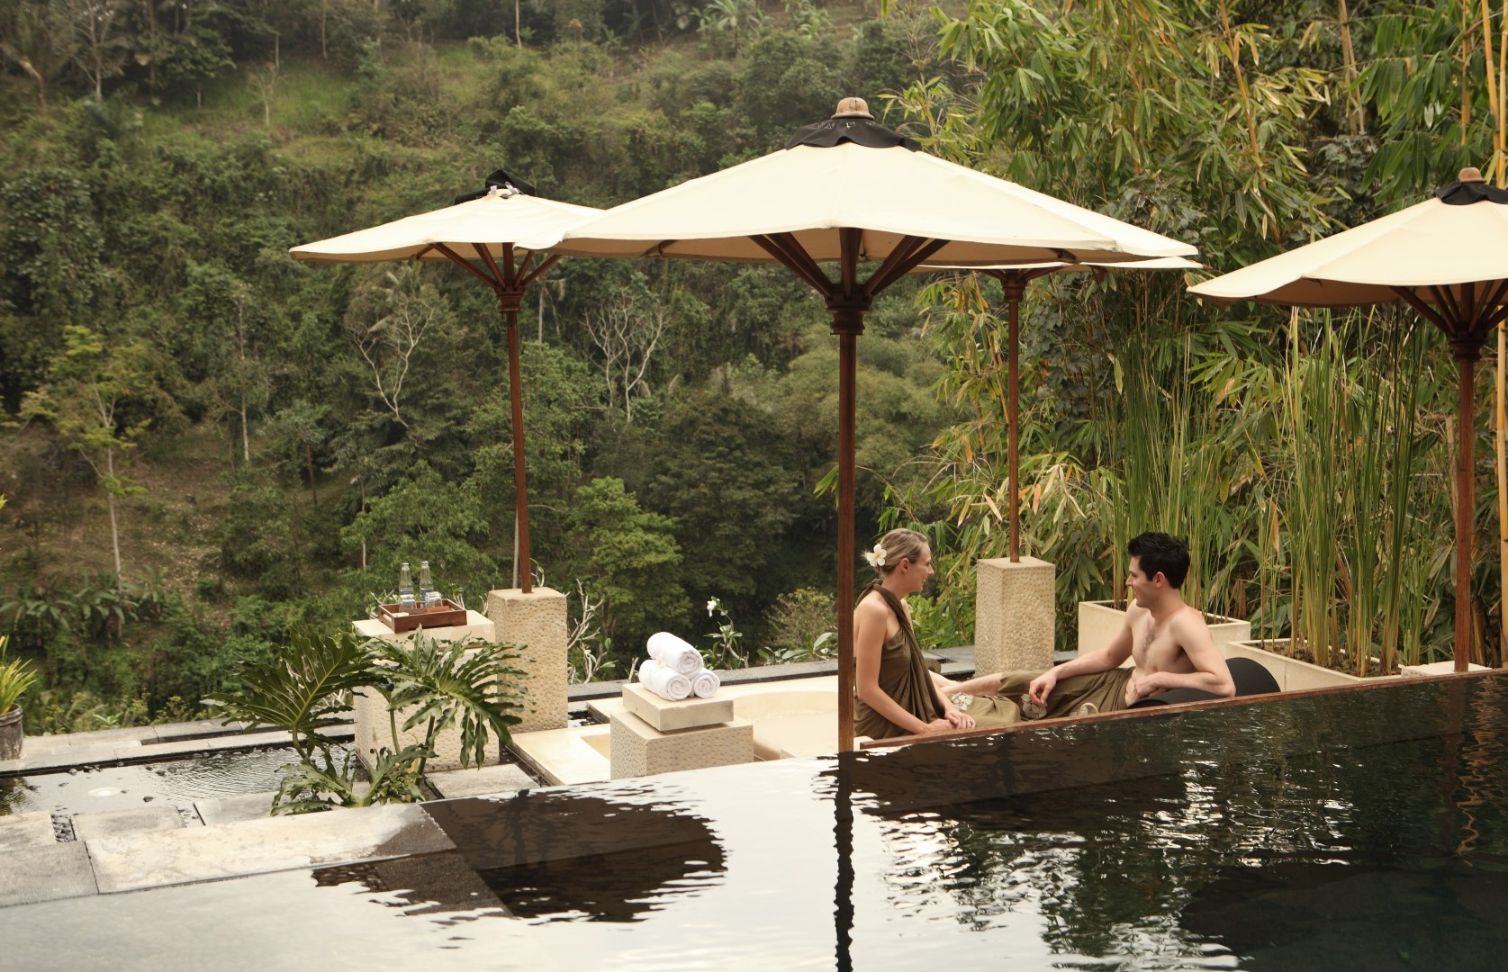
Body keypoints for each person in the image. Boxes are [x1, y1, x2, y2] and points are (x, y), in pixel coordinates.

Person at [948, 531, 1235, 724]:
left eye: (1134, 576)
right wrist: (1055, 671)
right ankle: (946, 695)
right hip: (1114, 683)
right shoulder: (1138, 611)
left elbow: (1224, 685)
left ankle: (954, 706)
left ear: (1158, 579)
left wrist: (1162, 679)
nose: (1128, 582)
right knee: (1026, 681)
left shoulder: (1186, 624)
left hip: (1132, 706)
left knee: (1033, 720)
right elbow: (1110, 657)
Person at [853, 528, 978, 739]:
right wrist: (925, 729)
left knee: (998, 711)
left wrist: (950, 709)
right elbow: (866, 690)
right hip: (881, 725)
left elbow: (918, 670)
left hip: (912, 711)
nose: (931, 572)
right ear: (904, 565)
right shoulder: (874, 611)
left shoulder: (900, 606)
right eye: (927, 564)